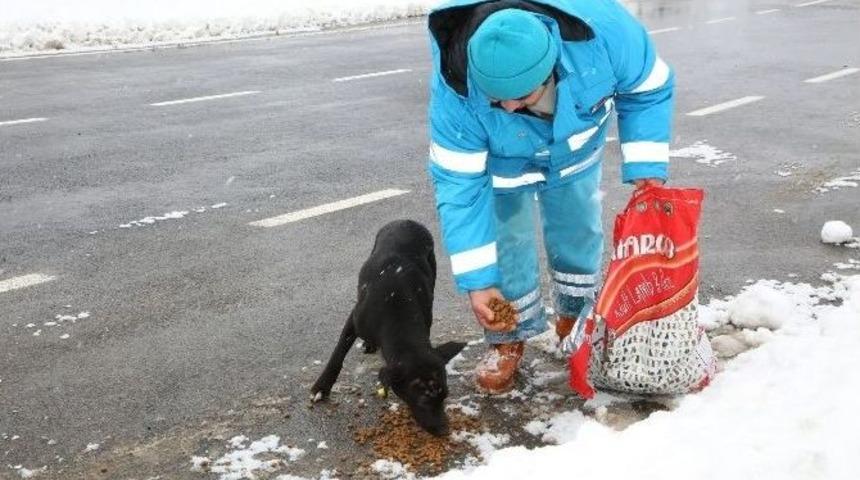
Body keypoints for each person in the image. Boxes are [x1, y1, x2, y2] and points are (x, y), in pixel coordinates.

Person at [426, 0, 673, 393]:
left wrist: (646, 168)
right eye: (496, 98)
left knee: (577, 230)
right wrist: (477, 282)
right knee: (508, 241)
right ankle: (507, 337)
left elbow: (648, 91)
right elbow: (459, 188)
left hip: (574, 154)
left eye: (520, 95)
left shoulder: (607, 34)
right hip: (502, 168)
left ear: (550, 66)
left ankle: (575, 319)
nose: (507, 106)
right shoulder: (455, 91)